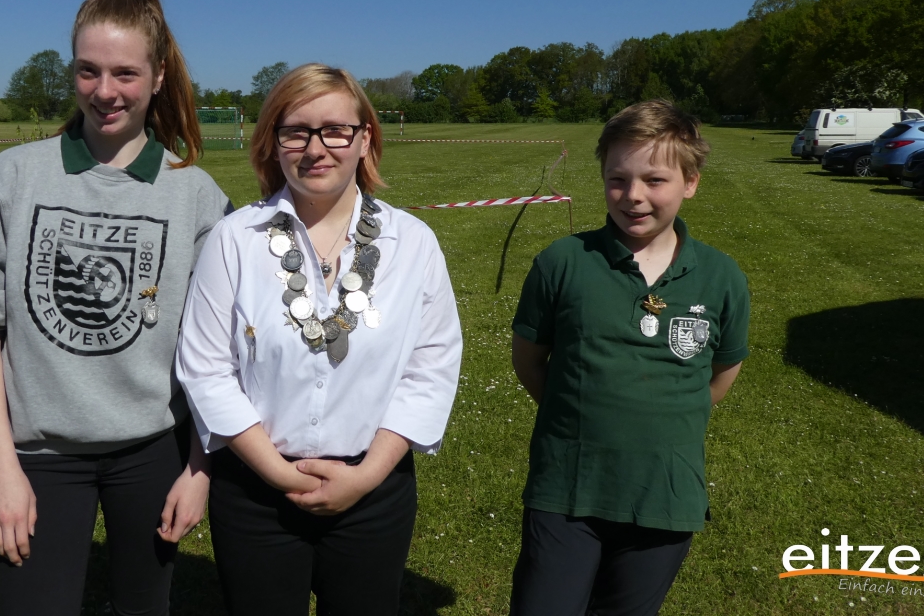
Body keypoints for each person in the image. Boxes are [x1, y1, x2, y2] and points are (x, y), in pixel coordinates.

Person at [0, 0, 232, 616]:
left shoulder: (197, 196)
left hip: (153, 450)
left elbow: (217, 348)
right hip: (39, 453)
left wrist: (199, 467)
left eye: (125, 73)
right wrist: (1, 468)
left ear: (158, 76)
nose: (105, 91)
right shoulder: (9, 177)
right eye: (88, 70)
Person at [175, 64, 463, 616]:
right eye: (296, 132)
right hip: (256, 494)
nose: (315, 148)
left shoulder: (413, 243)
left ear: (365, 139)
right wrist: (278, 473)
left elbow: (432, 367)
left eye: (335, 130)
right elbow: (206, 368)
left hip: (373, 492)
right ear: (273, 142)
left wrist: (366, 477)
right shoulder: (235, 239)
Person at [507, 100, 750, 616]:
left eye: (654, 180)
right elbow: (529, 362)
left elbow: (719, 377)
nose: (634, 195)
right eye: (617, 179)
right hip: (567, 491)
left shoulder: (721, 276)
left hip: (665, 495)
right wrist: (577, 413)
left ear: (690, 182)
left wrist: (660, 422)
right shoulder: (563, 263)